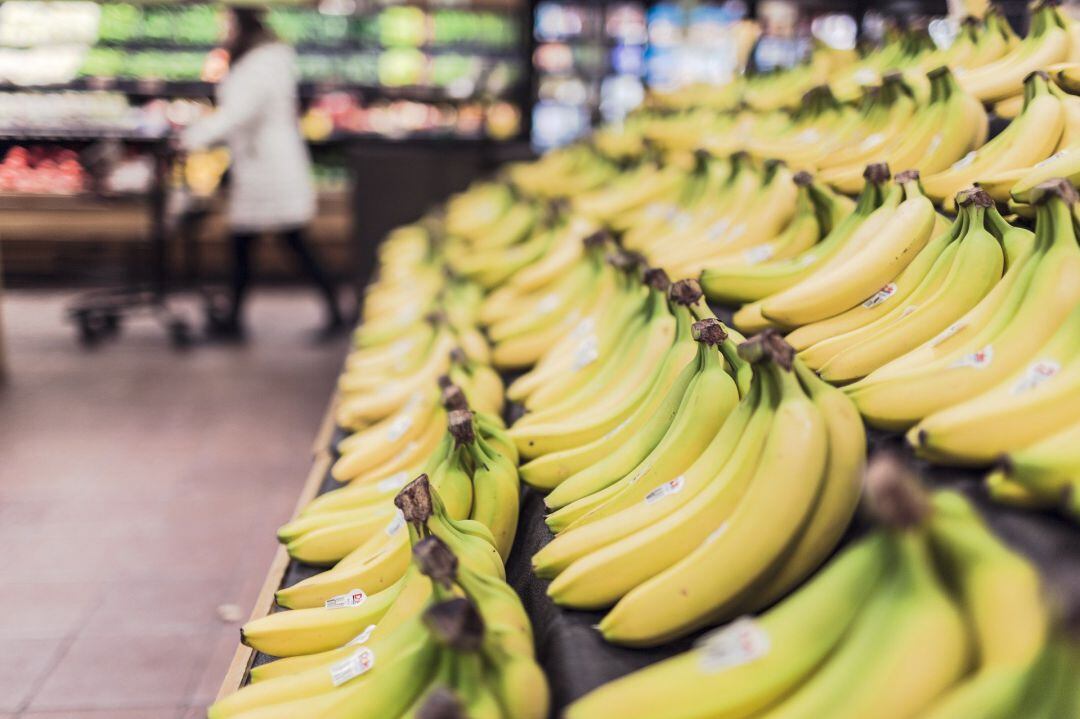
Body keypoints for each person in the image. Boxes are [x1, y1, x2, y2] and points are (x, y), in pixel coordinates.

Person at [181, 7, 345, 340]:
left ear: (241, 25)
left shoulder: (261, 64)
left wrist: (193, 136)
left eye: (226, 23)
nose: (222, 30)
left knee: (287, 242)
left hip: (268, 167)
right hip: (261, 164)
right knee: (249, 243)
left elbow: (239, 114)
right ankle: (236, 319)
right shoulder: (264, 60)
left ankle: (332, 311)